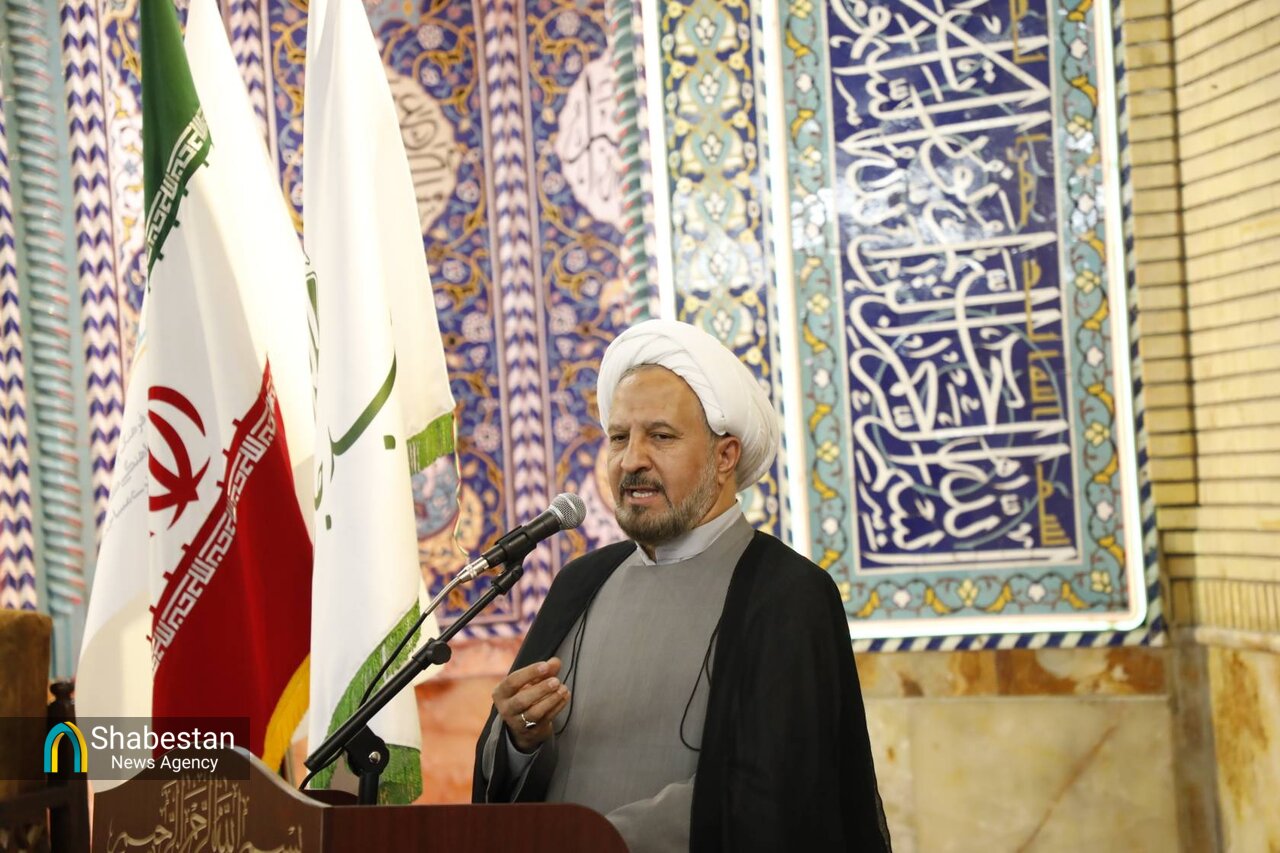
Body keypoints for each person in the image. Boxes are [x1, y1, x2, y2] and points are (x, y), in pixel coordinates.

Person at [472, 320, 890, 852]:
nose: (631, 460)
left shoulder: (785, 593)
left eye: (661, 436)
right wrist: (519, 741)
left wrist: (597, 841)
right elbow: (509, 776)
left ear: (725, 457)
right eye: (619, 438)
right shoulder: (581, 582)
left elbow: (772, 790)